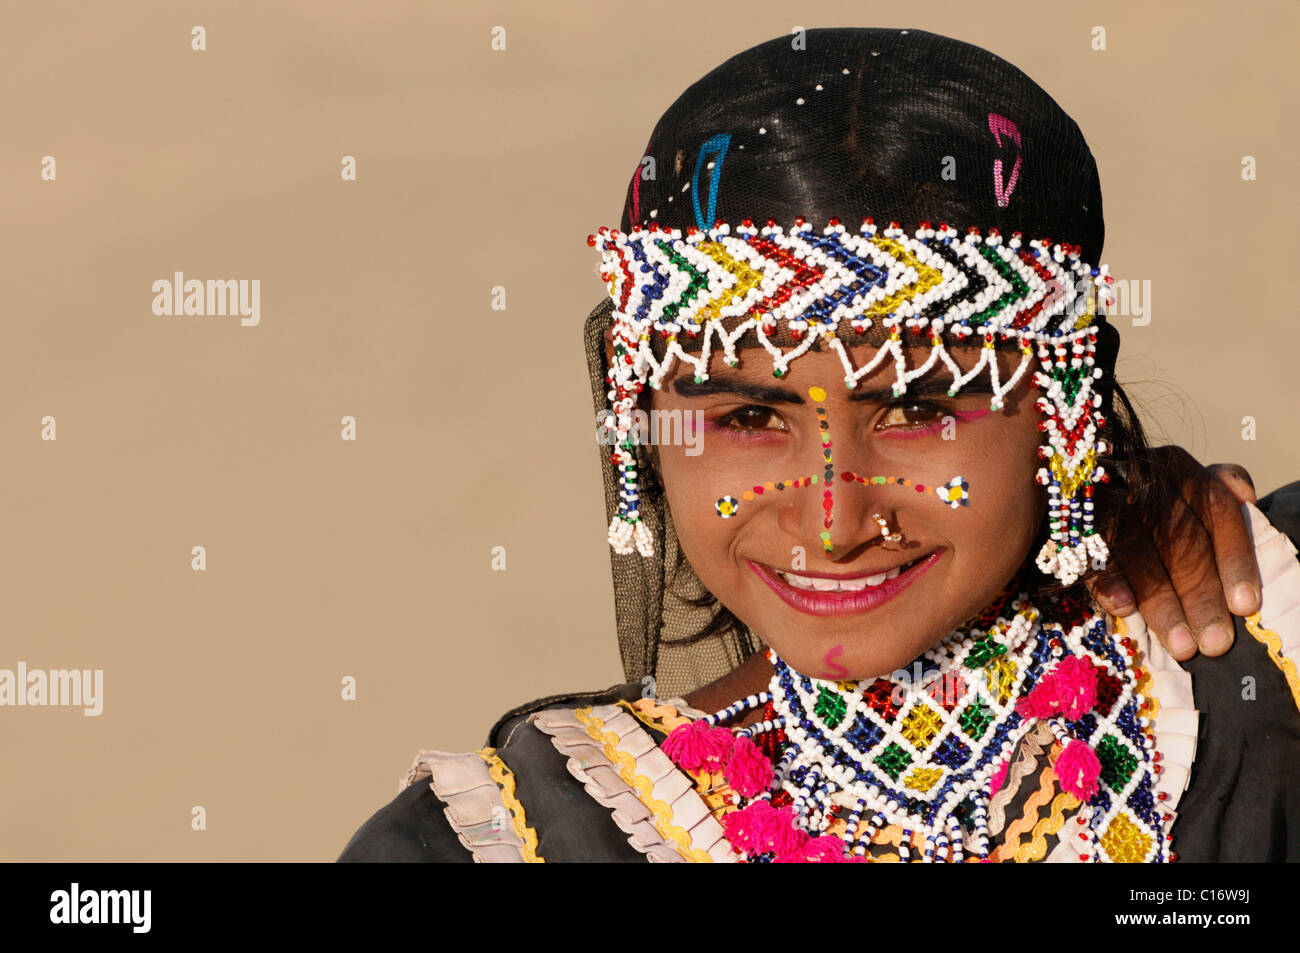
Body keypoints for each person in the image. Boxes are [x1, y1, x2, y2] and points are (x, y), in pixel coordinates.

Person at [338, 27, 1299, 863]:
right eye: (749, 418)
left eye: (919, 411)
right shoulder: (502, 840)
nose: (831, 523)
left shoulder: (1256, 674)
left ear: (1065, 406)